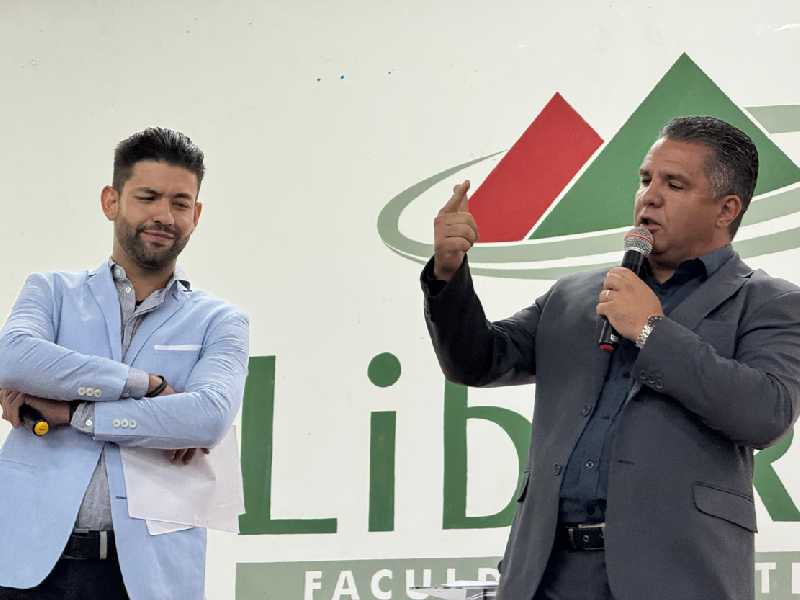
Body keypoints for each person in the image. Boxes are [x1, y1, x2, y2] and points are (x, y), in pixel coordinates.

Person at [422, 116, 800, 600]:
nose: (650, 196)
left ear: (726, 209)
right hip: (546, 574)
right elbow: (477, 361)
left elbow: (765, 414)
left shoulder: (768, 302)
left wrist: (651, 331)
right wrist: (449, 274)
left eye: (674, 184)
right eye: (646, 180)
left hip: (675, 577)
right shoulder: (576, 296)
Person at [0, 127, 249, 599]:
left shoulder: (221, 320)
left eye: (179, 203)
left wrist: (74, 412)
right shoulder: (51, 291)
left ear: (196, 215)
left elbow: (206, 417)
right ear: (111, 201)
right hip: (23, 566)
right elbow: (12, 358)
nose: (163, 215)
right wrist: (148, 386)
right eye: (148, 197)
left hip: (146, 578)